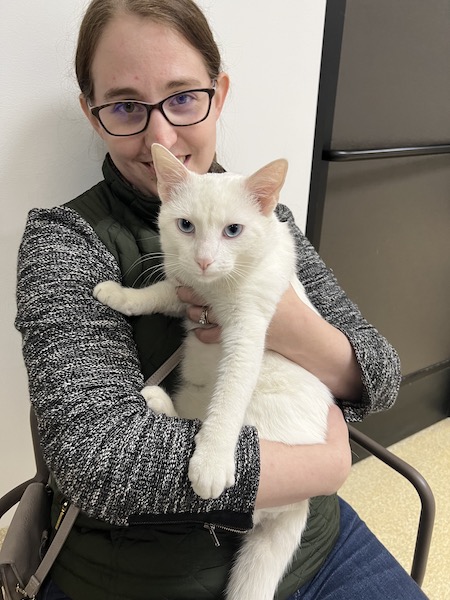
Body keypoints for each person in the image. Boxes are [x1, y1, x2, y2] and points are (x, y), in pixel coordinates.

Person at [14, 1, 428, 599]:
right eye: (127, 105)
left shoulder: (266, 217)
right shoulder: (67, 237)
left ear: (219, 93)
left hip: (311, 541)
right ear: (93, 112)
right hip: (145, 575)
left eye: (183, 96)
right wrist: (321, 466)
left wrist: (281, 323)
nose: (162, 136)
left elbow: (381, 373)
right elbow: (96, 459)